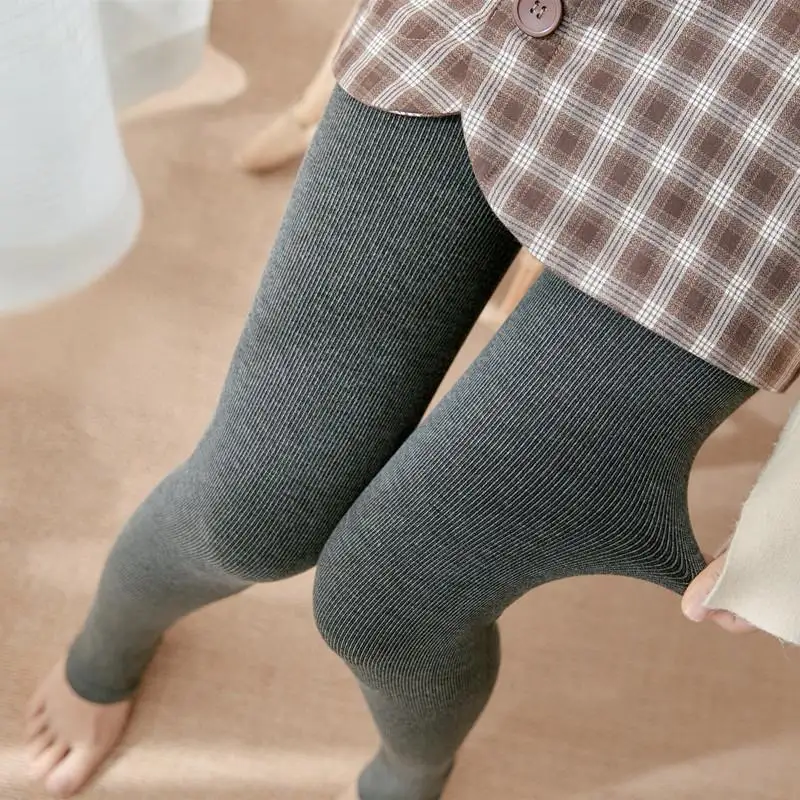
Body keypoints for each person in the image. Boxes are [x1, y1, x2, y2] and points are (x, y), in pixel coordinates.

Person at [25, 2, 799, 799]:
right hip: (491, 27)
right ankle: (107, 646)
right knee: (251, 505)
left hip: (764, 162)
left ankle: (411, 772)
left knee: (392, 599)